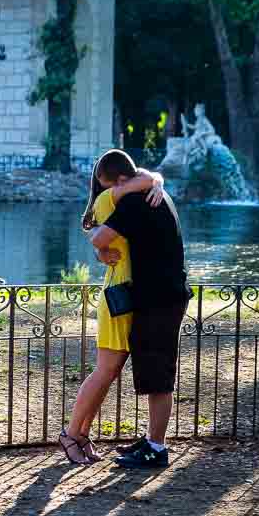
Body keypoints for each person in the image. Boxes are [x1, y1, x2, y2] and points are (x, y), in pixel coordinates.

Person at [59, 151, 164, 464]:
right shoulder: (111, 199)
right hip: (119, 294)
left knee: (110, 372)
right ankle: (70, 434)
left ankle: (81, 433)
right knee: (105, 370)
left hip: (128, 293)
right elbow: (142, 179)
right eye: (117, 183)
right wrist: (155, 180)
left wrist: (156, 180)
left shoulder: (117, 199)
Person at [90, 155, 192, 469]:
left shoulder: (135, 202)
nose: (109, 197)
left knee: (158, 376)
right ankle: (151, 440)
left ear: (121, 182)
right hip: (165, 294)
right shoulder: (157, 196)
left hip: (157, 298)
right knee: (154, 371)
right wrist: (154, 179)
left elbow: (98, 237)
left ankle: (157, 448)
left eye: (109, 190)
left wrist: (102, 249)